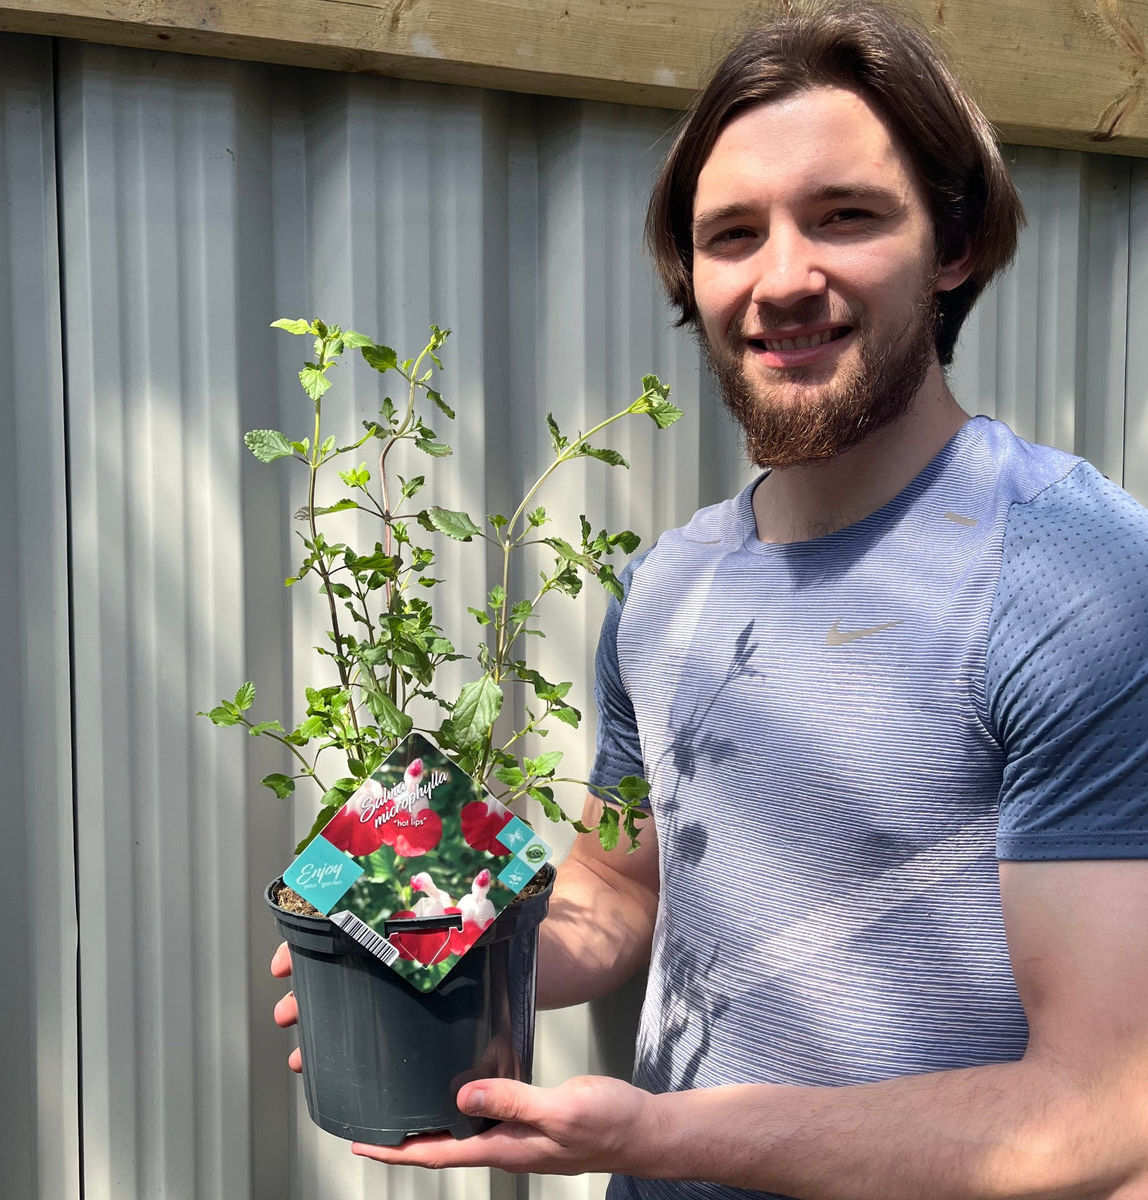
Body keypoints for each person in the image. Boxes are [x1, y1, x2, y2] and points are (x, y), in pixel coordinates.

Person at [272, 2, 1148, 1195]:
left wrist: (649, 1136)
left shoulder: (1074, 572)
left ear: (953, 246)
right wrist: (444, 941)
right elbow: (620, 884)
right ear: (692, 274)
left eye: (845, 216)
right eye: (733, 234)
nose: (783, 277)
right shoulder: (665, 586)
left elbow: (1100, 1108)